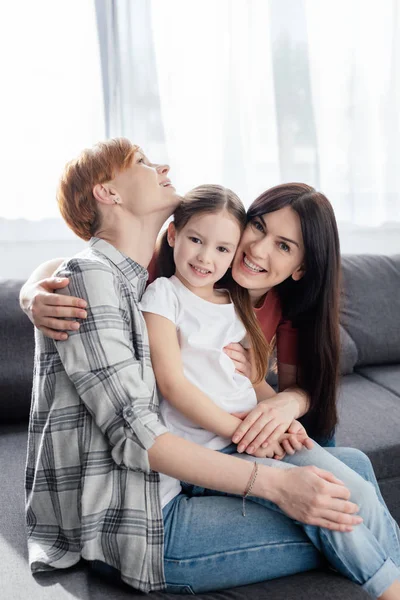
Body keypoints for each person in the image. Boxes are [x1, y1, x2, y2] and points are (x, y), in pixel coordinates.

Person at [21, 138, 400, 598]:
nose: (255, 250)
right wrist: (31, 292)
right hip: (162, 494)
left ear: (300, 267)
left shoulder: (228, 291)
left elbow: (289, 388)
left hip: (215, 441)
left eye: (283, 246)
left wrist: (279, 404)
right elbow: (77, 267)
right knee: (346, 499)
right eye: (256, 229)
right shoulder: (164, 273)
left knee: (351, 467)